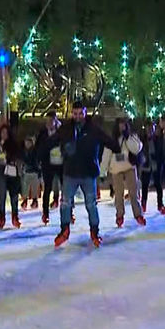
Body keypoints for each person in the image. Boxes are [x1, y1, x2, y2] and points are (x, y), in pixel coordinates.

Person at [41, 103, 120, 248]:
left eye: (80, 114)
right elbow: (51, 141)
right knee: (65, 203)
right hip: (70, 172)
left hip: (88, 173)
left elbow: (107, 140)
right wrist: (39, 151)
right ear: (72, 113)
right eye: (75, 114)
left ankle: (94, 231)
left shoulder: (93, 129)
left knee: (91, 204)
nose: (78, 117)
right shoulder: (66, 129)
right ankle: (64, 229)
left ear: (85, 113)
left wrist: (116, 146)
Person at [102, 118, 146, 228]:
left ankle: (138, 214)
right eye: (120, 124)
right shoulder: (112, 139)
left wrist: (127, 138)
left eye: (124, 124)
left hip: (129, 167)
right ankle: (120, 215)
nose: (122, 126)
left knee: (133, 192)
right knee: (118, 194)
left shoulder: (131, 136)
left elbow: (136, 149)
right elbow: (106, 155)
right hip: (116, 169)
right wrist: (103, 171)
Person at [34, 113, 63, 225]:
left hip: (61, 163)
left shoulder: (62, 132)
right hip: (48, 164)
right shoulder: (43, 133)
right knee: (47, 188)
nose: (50, 123)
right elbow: (38, 148)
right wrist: (39, 160)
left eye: (52, 120)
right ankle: (45, 213)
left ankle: (68, 212)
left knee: (65, 188)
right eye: (48, 121)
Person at [139, 121, 162, 214]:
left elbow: (161, 151)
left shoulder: (157, 139)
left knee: (158, 185)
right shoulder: (142, 140)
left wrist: (156, 157)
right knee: (145, 186)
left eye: (151, 128)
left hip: (155, 165)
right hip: (146, 165)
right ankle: (143, 205)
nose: (150, 131)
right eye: (148, 128)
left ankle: (160, 204)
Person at [22, 135, 42, 209]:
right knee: (25, 187)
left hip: (34, 171)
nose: (26, 144)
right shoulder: (24, 151)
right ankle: (25, 200)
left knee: (34, 187)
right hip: (27, 171)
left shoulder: (34, 151)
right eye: (26, 143)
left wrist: (38, 170)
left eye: (28, 143)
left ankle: (34, 201)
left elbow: (36, 162)